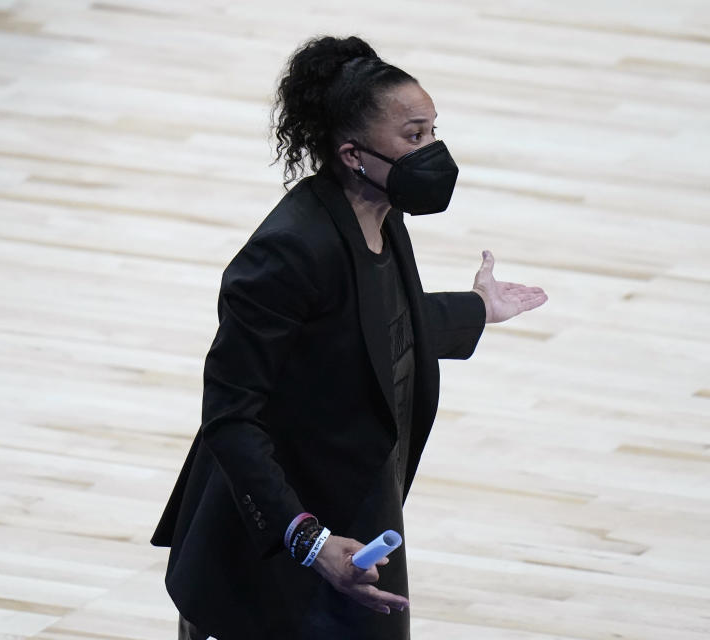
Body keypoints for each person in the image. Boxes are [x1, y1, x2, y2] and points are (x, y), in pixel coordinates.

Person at [150, 35, 548, 640]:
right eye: (414, 136)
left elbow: (365, 326)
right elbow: (230, 418)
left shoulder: (381, 218)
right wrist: (307, 540)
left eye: (434, 132)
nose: (433, 152)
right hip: (272, 541)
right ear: (352, 153)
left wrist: (475, 309)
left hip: (354, 507)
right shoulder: (287, 252)